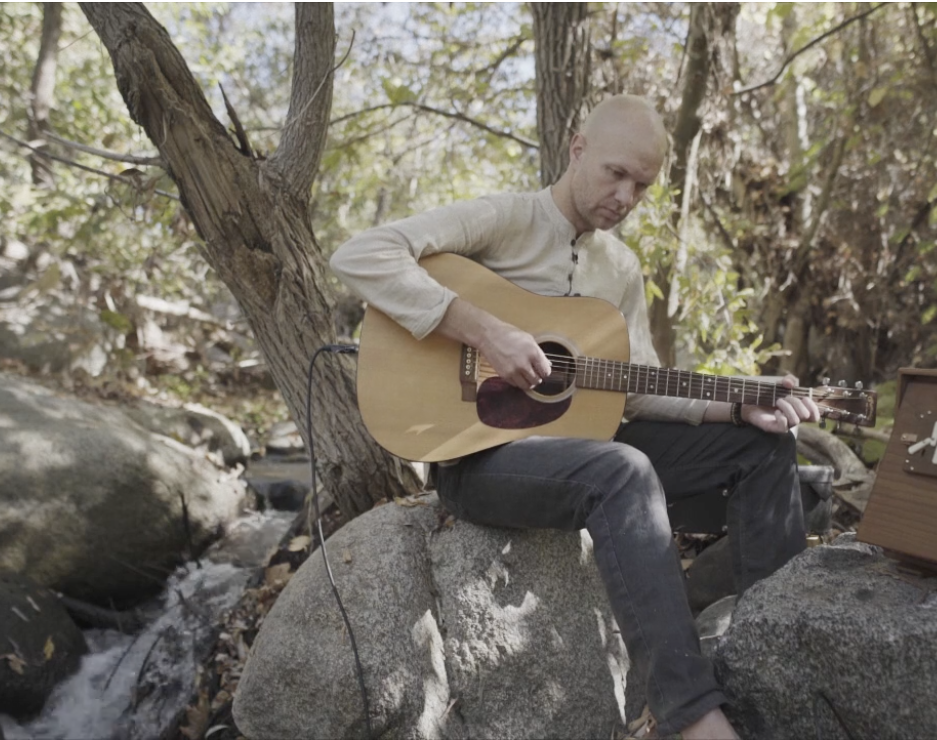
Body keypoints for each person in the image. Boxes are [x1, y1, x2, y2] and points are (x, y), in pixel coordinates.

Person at [330, 95, 820, 740]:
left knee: (763, 449)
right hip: (479, 459)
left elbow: (635, 389)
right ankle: (688, 716)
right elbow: (361, 256)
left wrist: (734, 402)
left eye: (642, 185)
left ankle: (770, 667)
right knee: (624, 470)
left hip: (581, 447)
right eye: (616, 173)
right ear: (577, 146)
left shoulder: (618, 268)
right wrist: (484, 331)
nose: (626, 195)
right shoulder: (505, 220)